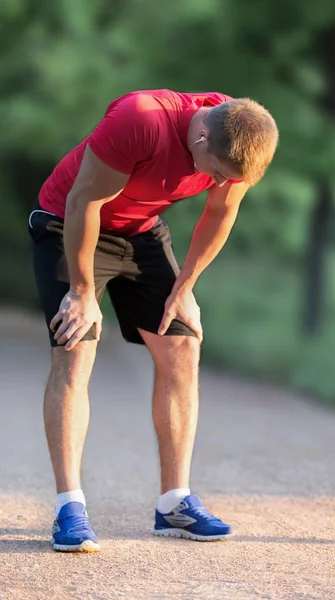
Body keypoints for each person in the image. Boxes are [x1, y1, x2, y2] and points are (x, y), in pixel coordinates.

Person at [28, 88, 278, 552]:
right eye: (218, 174)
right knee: (76, 343)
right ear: (201, 138)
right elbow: (84, 200)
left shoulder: (241, 137)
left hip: (139, 232)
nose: (221, 183)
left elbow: (220, 215)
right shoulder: (141, 119)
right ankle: (70, 507)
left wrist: (183, 289)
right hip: (70, 221)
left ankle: (174, 504)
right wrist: (82, 293)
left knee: (183, 346)